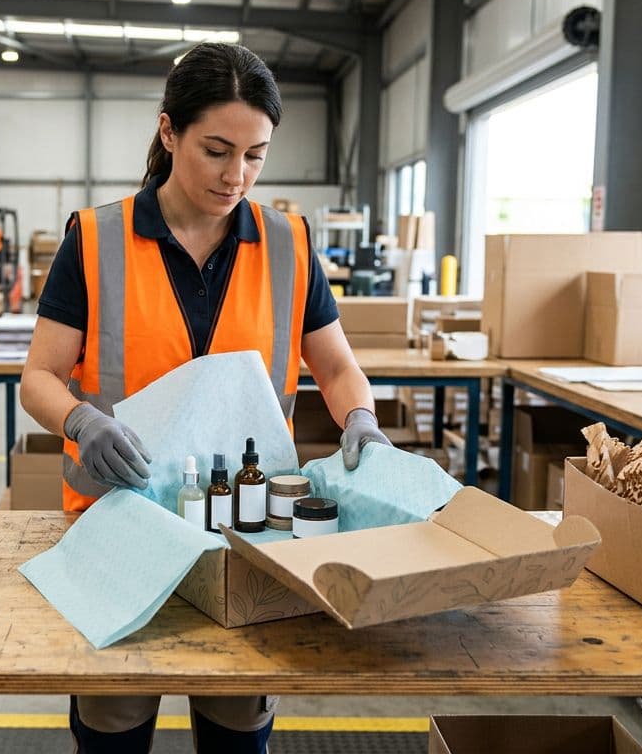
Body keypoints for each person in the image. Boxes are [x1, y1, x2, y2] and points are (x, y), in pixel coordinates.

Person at [20, 42, 393, 754]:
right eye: (217, 150)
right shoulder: (96, 239)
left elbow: (337, 366)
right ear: (169, 132)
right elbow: (39, 375)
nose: (237, 175)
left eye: (256, 155)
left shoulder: (289, 244)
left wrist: (363, 420)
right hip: (119, 523)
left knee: (235, 728)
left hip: (246, 537)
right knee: (114, 726)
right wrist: (80, 420)